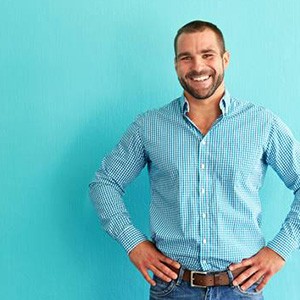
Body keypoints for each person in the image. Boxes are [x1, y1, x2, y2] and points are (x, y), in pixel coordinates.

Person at [89, 20, 300, 299]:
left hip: (241, 289)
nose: (197, 66)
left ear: (225, 59)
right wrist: (133, 243)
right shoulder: (149, 126)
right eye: (186, 57)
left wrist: (280, 249)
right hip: (173, 289)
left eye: (208, 55)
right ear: (176, 65)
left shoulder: (262, 124)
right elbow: (104, 184)